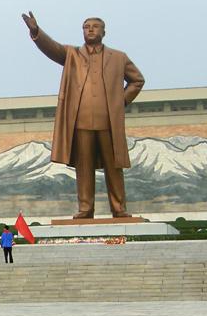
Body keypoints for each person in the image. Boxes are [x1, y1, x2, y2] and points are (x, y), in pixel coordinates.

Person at [22, 12, 145, 218]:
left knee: (113, 166)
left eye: (95, 26)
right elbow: (52, 48)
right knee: (84, 167)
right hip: (80, 122)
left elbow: (137, 80)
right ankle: (86, 208)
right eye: (86, 26)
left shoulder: (119, 57)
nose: (90, 29)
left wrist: (120, 101)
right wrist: (36, 32)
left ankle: (119, 208)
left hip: (108, 122)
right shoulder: (72, 55)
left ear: (104, 32)